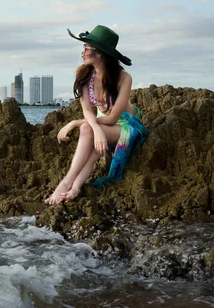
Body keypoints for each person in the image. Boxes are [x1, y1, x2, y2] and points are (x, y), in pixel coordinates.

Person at [44, 25, 148, 205]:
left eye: (86, 48)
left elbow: (113, 118)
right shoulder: (84, 74)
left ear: (99, 53)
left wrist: (76, 123)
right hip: (103, 125)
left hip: (127, 127)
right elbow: (87, 110)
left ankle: (67, 182)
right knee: (90, 138)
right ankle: (74, 187)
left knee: (86, 127)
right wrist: (95, 129)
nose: (82, 52)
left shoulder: (124, 78)